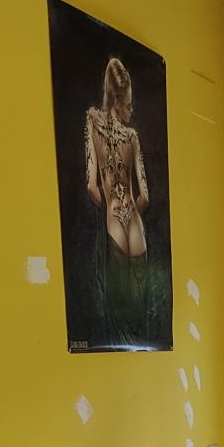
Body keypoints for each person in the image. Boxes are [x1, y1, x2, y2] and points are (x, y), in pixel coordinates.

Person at [84, 57, 151, 331]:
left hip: (113, 224)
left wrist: (111, 210)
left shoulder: (92, 123)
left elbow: (91, 186)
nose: (131, 110)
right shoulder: (132, 138)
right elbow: (144, 196)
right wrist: (130, 211)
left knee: (119, 321)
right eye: (128, 104)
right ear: (116, 100)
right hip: (136, 228)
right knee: (138, 320)